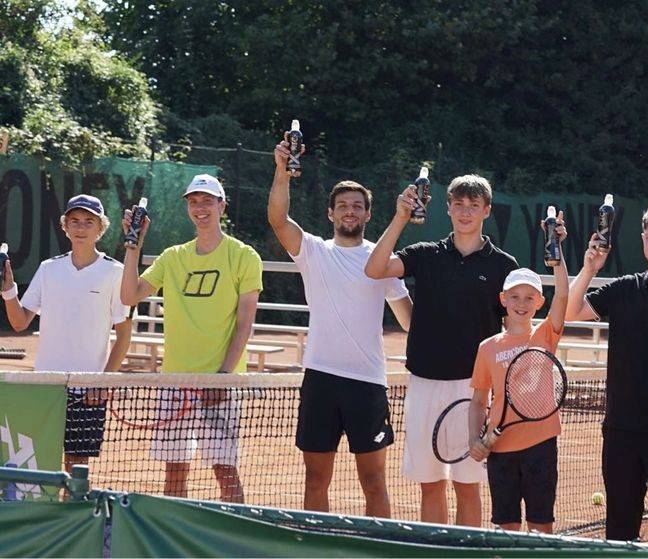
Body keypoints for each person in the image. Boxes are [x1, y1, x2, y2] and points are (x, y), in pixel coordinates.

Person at [267, 135, 412, 518]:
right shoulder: (313, 250)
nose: (350, 211)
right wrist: (282, 171)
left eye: (357, 206)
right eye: (343, 205)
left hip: (368, 384)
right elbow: (278, 220)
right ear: (331, 213)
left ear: (367, 215)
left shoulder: (383, 261)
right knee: (315, 479)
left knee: (374, 482)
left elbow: (410, 321)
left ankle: (376, 548)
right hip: (320, 380)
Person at [365, 175, 518, 526]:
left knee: (468, 486)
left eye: (473, 206)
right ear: (447, 208)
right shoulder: (424, 255)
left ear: (486, 211)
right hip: (423, 385)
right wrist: (401, 216)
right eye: (459, 205)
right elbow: (375, 269)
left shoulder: (504, 266)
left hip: (473, 391)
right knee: (430, 485)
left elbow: (512, 331)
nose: (466, 212)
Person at [120, 174, 263, 504]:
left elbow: (244, 324)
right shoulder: (172, 257)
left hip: (220, 383)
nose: (200, 208)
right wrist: (134, 245)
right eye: (194, 201)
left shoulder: (244, 256)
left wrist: (223, 378)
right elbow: (129, 296)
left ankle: (232, 545)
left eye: (207, 201)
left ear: (221, 205)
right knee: (175, 469)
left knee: (224, 469)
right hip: (175, 381)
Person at [565, 203, 648, 545]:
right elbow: (571, 312)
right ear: (642, 240)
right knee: (619, 534)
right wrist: (589, 268)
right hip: (621, 431)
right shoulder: (623, 288)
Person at [2, 194, 132, 476]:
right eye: (74, 221)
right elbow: (20, 322)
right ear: (65, 227)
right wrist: (8, 290)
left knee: (77, 467)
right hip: (45, 388)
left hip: (88, 390)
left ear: (101, 229)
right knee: (39, 460)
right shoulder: (49, 269)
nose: (81, 228)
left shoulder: (115, 272)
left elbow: (123, 334)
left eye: (88, 222)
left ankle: (73, 518)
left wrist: (104, 381)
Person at [468, 232, 568, 533]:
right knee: (505, 527)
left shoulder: (545, 335)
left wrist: (557, 252)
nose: (521, 304)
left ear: (539, 302)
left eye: (529, 298)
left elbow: (563, 295)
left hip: (541, 446)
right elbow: (477, 402)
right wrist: (475, 438)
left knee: (541, 526)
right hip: (500, 450)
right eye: (514, 296)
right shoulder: (487, 347)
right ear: (503, 299)